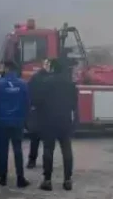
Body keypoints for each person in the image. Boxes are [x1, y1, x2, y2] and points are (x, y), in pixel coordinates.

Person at [31, 57, 78, 191]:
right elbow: (74, 104)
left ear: (52, 68)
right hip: (64, 120)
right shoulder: (70, 84)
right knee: (67, 150)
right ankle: (68, 180)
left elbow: (36, 101)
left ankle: (47, 180)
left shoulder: (45, 82)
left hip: (48, 120)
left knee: (48, 150)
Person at [0, 60, 31, 188]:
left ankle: (3, 177)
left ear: (7, 68)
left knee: (3, 150)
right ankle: (20, 178)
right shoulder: (23, 84)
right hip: (18, 121)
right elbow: (27, 103)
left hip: (2, 121)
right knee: (18, 150)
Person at [25, 59, 52, 169]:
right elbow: (29, 92)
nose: (47, 66)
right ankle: (32, 160)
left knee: (46, 141)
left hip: (46, 112)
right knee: (35, 139)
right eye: (46, 64)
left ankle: (44, 161)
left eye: (49, 64)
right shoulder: (36, 77)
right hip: (38, 111)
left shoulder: (51, 78)